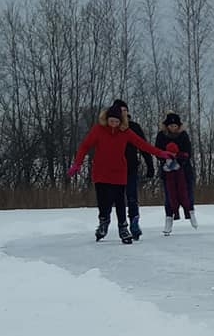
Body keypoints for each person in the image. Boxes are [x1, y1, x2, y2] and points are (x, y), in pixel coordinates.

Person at [67, 104, 171, 244]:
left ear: (121, 121)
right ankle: (104, 222)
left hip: (119, 172)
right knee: (103, 201)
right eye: (111, 121)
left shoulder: (125, 132)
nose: (114, 124)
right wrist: (77, 163)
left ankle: (123, 227)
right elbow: (85, 145)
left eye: (117, 121)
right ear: (106, 119)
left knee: (120, 201)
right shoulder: (98, 130)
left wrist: (160, 153)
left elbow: (142, 145)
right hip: (101, 172)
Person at [111, 99, 155, 240]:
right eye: (120, 110)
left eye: (125, 110)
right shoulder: (110, 129)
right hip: (114, 170)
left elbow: (144, 146)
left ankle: (134, 222)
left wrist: (150, 165)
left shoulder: (134, 127)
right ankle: (111, 223)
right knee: (116, 199)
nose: (123, 113)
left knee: (132, 197)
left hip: (131, 168)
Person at [154, 112, 197, 234]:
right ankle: (169, 218)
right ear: (166, 126)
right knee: (169, 196)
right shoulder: (161, 136)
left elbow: (188, 151)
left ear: (179, 126)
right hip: (167, 171)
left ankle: (190, 212)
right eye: (171, 126)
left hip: (184, 170)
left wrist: (179, 161)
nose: (173, 128)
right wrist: (166, 160)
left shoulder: (183, 135)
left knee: (187, 193)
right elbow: (157, 150)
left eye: (175, 126)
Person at [161, 142, 194, 233]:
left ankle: (187, 212)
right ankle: (175, 213)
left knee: (184, 196)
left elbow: (186, 155)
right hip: (170, 181)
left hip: (181, 180)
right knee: (172, 197)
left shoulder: (181, 158)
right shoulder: (166, 160)